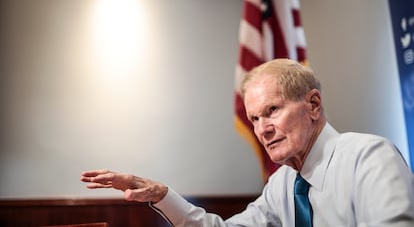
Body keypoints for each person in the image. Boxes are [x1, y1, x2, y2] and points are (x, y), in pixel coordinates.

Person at [81, 59, 414, 226]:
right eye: (255, 119)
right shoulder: (282, 184)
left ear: (313, 105)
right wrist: (162, 194)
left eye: (272, 110)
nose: (263, 129)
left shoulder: (370, 158)